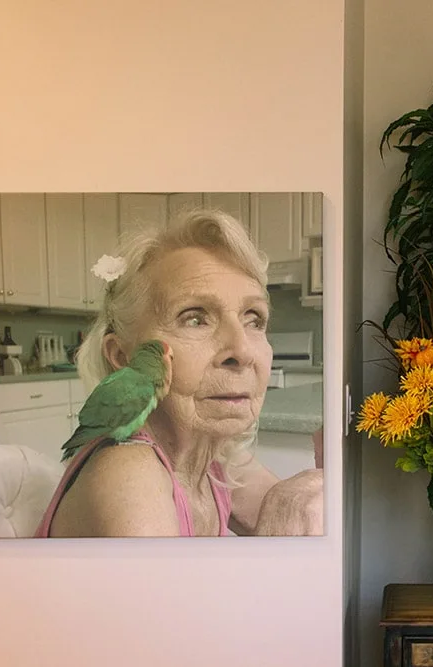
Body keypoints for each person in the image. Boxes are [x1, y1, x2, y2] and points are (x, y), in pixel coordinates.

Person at [35, 209, 324, 537]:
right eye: (194, 318)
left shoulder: (215, 454)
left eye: (254, 318)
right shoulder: (129, 474)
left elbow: (300, 512)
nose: (242, 352)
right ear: (121, 356)